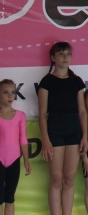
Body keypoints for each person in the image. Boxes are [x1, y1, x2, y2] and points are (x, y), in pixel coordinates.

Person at [38, 42, 88, 215]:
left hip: (74, 132)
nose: (65, 57)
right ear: (53, 58)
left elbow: (82, 112)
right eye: (61, 53)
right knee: (56, 179)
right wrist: (46, 140)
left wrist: (85, 136)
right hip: (55, 132)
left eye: (68, 53)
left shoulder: (76, 81)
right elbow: (42, 114)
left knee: (68, 179)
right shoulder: (47, 82)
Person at [0, 79, 31, 215]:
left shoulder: (20, 116)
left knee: (10, 198)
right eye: (5, 92)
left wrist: (26, 160)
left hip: (14, 160)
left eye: (13, 92)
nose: (10, 96)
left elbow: (23, 139)